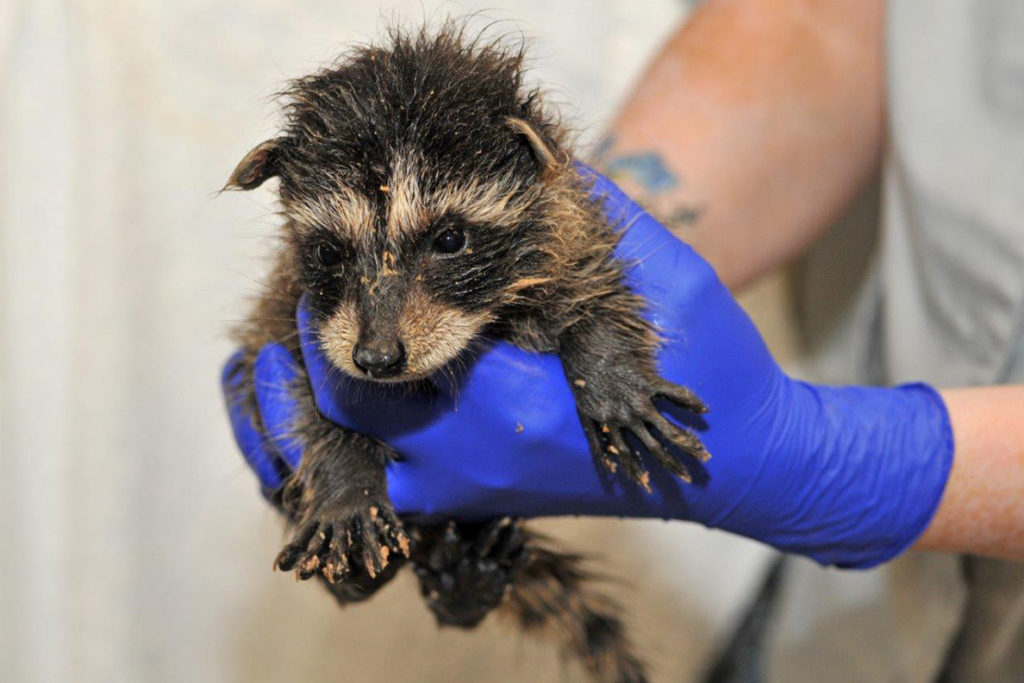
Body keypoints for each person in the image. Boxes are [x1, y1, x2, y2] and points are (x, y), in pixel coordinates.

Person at [225, 0, 1024, 679]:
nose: (377, 343)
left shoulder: (541, 217)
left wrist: (843, 462)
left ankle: (459, 563)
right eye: (333, 256)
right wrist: (338, 485)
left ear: (530, 164)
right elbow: (816, 24)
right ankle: (445, 562)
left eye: (449, 246)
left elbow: (585, 297)